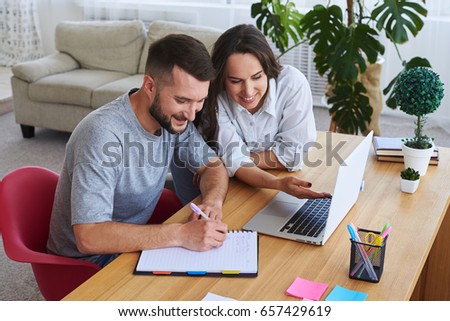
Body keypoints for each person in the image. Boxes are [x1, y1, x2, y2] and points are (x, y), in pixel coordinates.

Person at [47, 34, 229, 268]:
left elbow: (212, 165)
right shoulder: (101, 134)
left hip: (128, 248)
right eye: (183, 100)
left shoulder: (174, 121)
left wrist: (213, 202)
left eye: (200, 101)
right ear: (150, 86)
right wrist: (179, 234)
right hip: (86, 263)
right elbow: (88, 236)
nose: (192, 114)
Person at [171, 24, 331, 205]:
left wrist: (228, 162)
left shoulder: (292, 84)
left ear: (268, 69)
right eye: (235, 81)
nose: (248, 91)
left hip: (237, 176)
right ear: (222, 78)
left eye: (256, 77)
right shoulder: (215, 96)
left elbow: (294, 155)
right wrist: (235, 162)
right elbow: (236, 159)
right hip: (211, 181)